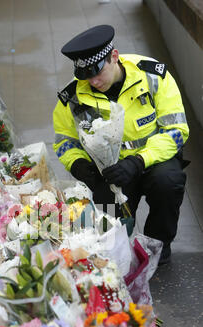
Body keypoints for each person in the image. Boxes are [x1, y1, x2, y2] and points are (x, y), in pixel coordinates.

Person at [52, 24, 189, 265]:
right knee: (109, 226)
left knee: (168, 183)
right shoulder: (72, 96)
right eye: (85, 76)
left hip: (154, 160)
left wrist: (138, 161)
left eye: (97, 71)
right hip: (110, 171)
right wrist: (80, 166)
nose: (93, 81)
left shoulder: (153, 76)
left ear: (114, 57)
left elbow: (177, 131)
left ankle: (157, 247)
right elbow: (64, 140)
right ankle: (118, 251)